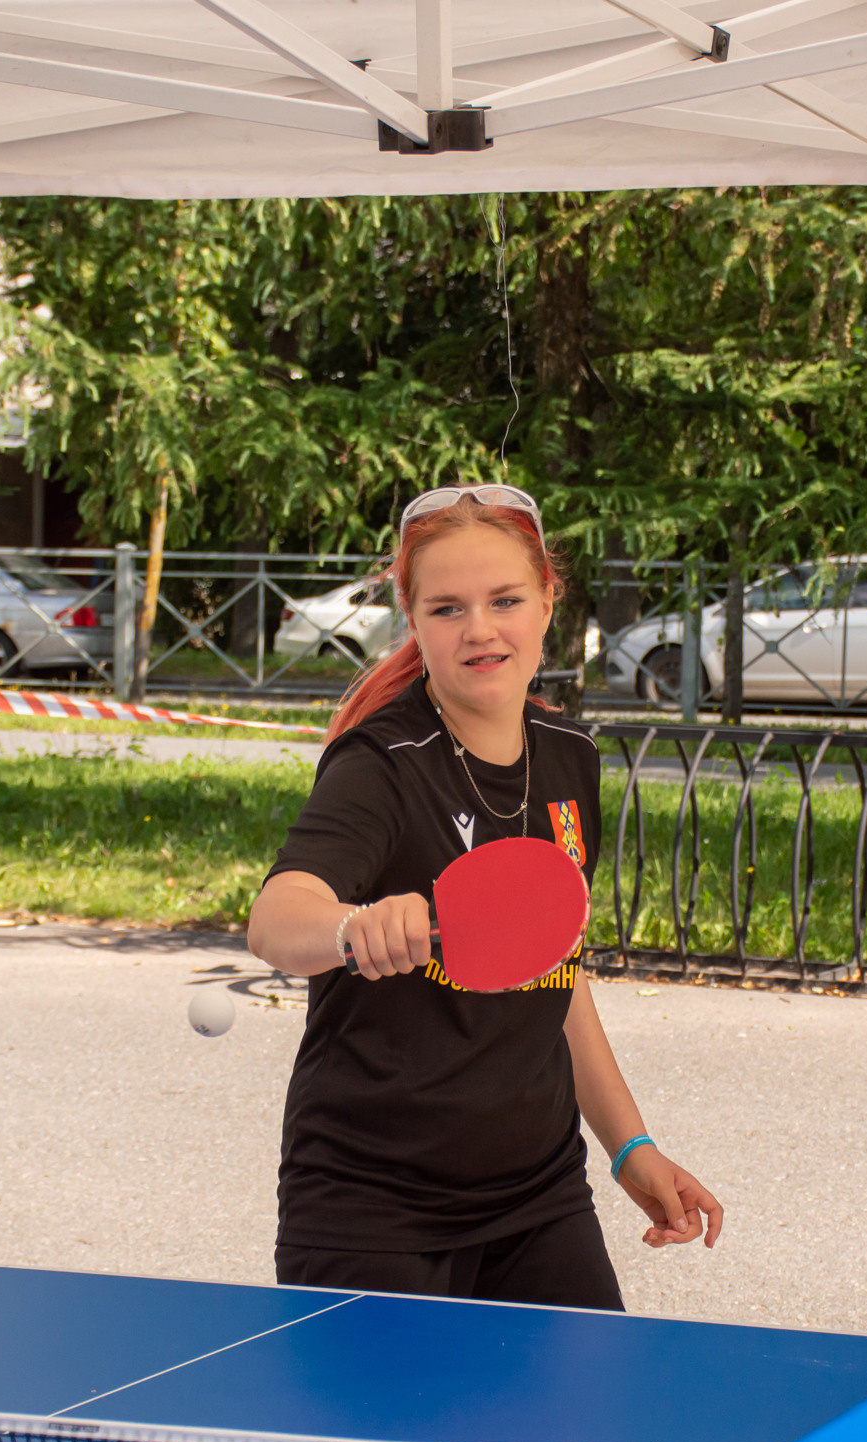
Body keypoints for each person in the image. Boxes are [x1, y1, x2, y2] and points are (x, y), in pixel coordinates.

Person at [246, 483, 724, 1311]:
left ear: (548, 599)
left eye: (505, 599)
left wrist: (630, 1145)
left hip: (538, 1198)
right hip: (372, 1212)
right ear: (413, 620)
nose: (480, 629)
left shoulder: (570, 757)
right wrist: (353, 926)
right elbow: (277, 919)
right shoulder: (382, 765)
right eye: (447, 608)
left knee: (586, 1439)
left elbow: (555, 972)